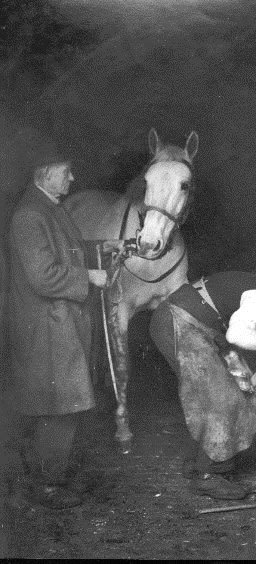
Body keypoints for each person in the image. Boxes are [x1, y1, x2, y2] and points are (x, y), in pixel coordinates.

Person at [7, 150, 124, 510]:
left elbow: (65, 250)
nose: (72, 179)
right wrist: (90, 276)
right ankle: (47, 487)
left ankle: (48, 477)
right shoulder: (29, 215)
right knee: (57, 408)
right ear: (44, 172)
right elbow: (43, 277)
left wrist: (100, 248)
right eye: (66, 172)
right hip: (46, 330)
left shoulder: (48, 208)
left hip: (61, 327)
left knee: (61, 407)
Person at [149, 271, 256, 500]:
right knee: (225, 399)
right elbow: (236, 334)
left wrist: (245, 378)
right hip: (181, 322)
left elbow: (227, 344)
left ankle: (196, 463)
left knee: (215, 395)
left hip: (181, 322)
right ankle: (208, 477)